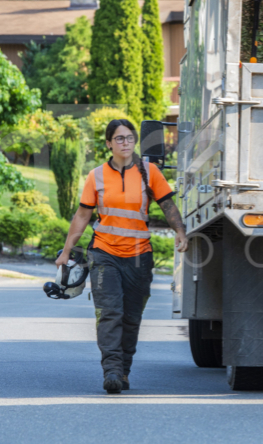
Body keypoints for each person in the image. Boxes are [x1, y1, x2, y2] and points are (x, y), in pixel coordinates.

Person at [56, 119, 188, 394]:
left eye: (129, 138)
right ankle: (112, 371)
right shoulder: (97, 176)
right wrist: (67, 251)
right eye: (119, 139)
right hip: (104, 253)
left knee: (131, 317)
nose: (125, 143)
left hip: (140, 256)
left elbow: (167, 205)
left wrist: (180, 231)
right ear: (108, 143)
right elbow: (83, 215)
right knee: (109, 313)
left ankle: (124, 370)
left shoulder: (150, 173)